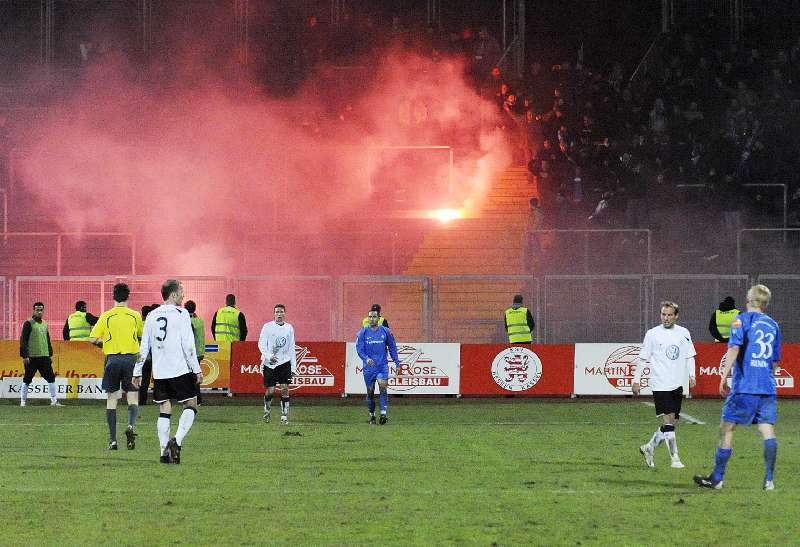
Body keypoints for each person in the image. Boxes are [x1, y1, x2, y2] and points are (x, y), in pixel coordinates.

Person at [694, 284, 781, 491]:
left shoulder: (741, 320)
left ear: (749, 300)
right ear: (765, 303)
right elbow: (775, 362)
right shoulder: (773, 325)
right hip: (767, 388)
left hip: (745, 387)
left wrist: (723, 377)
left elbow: (733, 348)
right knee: (767, 430)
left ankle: (717, 478)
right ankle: (769, 480)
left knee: (727, 428)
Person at [133, 279, 202, 465]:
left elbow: (144, 347)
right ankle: (176, 441)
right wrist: (196, 369)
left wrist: (137, 372)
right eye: (181, 292)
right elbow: (188, 345)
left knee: (165, 408)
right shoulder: (182, 313)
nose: (183, 295)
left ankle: (163, 452)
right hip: (179, 368)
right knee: (191, 404)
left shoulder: (152, 315)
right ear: (173, 294)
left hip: (160, 371)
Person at [633, 301, 697, 469]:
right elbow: (643, 358)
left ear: (676, 316)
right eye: (663, 314)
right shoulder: (652, 334)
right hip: (660, 384)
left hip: (676, 384)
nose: (666, 318)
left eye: (669, 315)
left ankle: (649, 447)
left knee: (672, 423)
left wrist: (692, 375)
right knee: (668, 420)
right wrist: (636, 380)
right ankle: (675, 458)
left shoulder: (684, 333)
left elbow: (690, 356)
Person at [89, 283, 144, 450]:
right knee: (133, 397)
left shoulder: (106, 316)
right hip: (131, 360)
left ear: (113, 297)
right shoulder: (135, 315)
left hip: (112, 359)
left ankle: (113, 440)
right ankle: (130, 427)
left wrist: (103, 344)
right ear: (128, 296)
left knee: (112, 399)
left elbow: (92, 338)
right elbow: (141, 336)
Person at [356, 308, 400, 425]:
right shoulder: (362, 333)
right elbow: (359, 350)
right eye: (369, 317)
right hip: (369, 368)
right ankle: (372, 415)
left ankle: (383, 414)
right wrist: (366, 359)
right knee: (370, 392)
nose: (371, 319)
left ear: (379, 318)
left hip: (382, 366)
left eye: (374, 316)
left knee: (383, 388)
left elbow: (392, 347)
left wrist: (397, 363)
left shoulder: (386, 331)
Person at [258, 304, 296, 424]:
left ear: (285, 313)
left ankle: (284, 415)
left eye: (281, 312)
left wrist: (294, 366)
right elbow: (261, 344)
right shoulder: (267, 327)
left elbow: (291, 347)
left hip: (284, 362)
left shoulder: (289, 328)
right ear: (274, 313)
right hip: (270, 363)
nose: (279, 314)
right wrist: (269, 356)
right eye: (277, 312)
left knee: (284, 388)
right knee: (270, 390)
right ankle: (267, 410)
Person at [19, 302, 62, 407]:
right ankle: (23, 402)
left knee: (51, 378)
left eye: (41, 310)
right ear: (33, 310)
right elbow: (23, 340)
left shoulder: (45, 324)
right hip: (32, 357)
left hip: (44, 356)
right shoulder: (28, 323)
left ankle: (54, 401)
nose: (39, 312)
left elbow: (47, 339)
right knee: (27, 379)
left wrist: (50, 354)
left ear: (43, 311)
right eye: (37, 310)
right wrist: (24, 355)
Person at [184, 300, 206, 405]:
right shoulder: (199, 320)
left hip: (191, 353)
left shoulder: (187, 321)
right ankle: (196, 399)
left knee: (191, 377)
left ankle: (196, 399)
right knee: (194, 376)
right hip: (200, 352)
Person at [137, 304, 157, 405]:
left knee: (141, 378)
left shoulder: (139, 324)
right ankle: (158, 398)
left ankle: (141, 400)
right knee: (152, 377)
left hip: (140, 356)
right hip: (152, 356)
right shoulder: (152, 324)